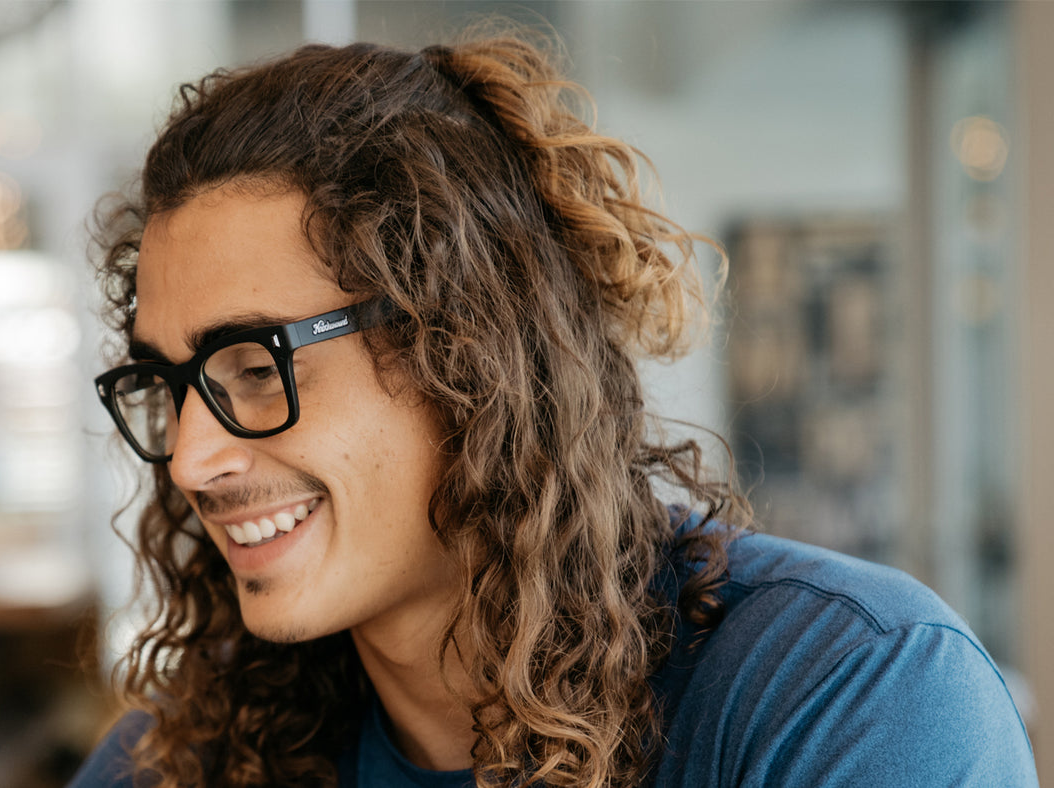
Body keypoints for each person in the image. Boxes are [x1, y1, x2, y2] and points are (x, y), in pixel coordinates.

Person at [72, 29, 1038, 788]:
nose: (192, 460)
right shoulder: (175, 760)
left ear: (462, 348)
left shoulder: (851, 696)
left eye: (252, 365)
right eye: (168, 385)